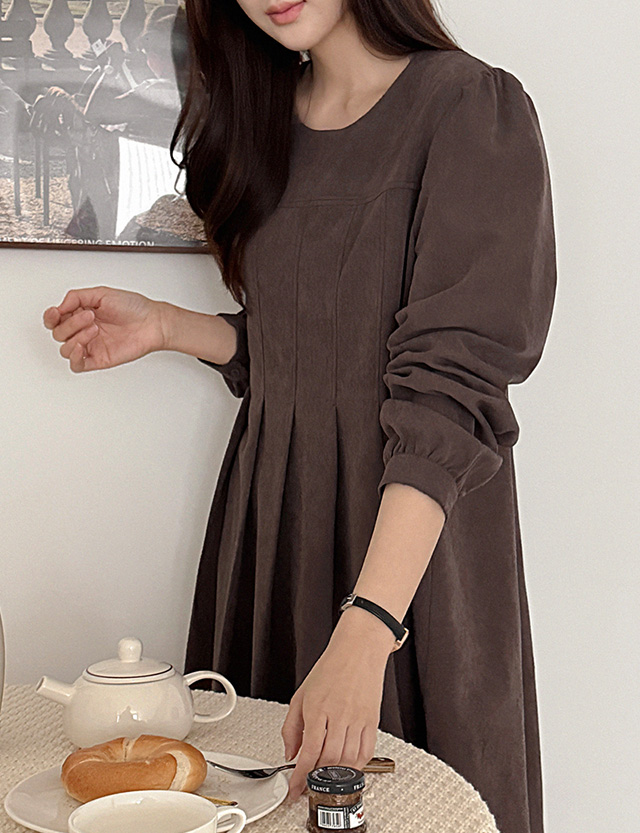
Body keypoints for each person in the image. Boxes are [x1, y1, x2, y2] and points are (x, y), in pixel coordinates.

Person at [42, 2, 557, 832]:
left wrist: (370, 626)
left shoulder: (468, 108)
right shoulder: (266, 126)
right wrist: (170, 326)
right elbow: (318, 348)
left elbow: (450, 393)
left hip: (410, 564)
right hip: (274, 536)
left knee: (424, 804)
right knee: (259, 803)